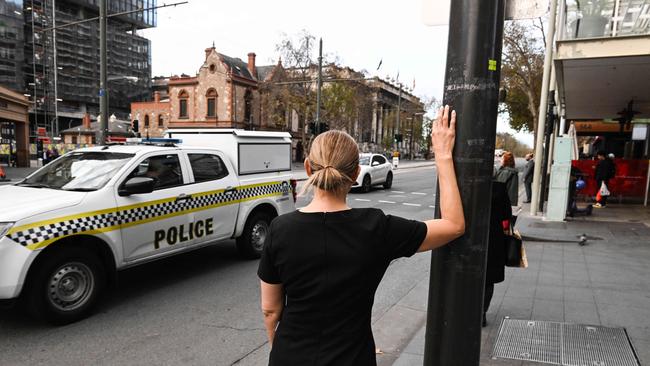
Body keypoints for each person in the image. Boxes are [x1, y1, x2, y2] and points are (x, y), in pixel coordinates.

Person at [257, 106, 464, 366]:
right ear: (355, 174)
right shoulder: (376, 227)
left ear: (308, 168)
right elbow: (454, 224)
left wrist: (279, 349)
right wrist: (443, 155)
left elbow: (271, 310)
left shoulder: (279, 229)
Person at [483, 181, 512, 327]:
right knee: (488, 279)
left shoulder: (466, 183)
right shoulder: (499, 188)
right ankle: (482, 313)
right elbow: (507, 215)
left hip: (470, 238)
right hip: (494, 239)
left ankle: (468, 309)